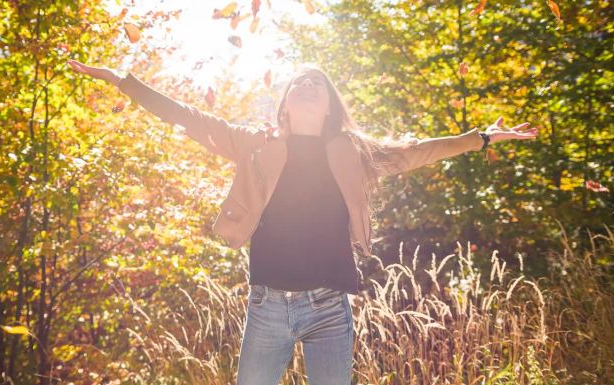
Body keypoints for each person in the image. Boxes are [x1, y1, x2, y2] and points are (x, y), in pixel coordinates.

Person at [67, 59, 538, 384]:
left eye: (318, 83)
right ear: (285, 103)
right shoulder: (253, 143)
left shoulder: (354, 151)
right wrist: (122, 81)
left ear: (330, 105)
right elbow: (188, 117)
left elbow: (419, 151)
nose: (308, 86)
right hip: (267, 307)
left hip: (330, 308)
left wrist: (482, 138)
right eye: (298, 83)